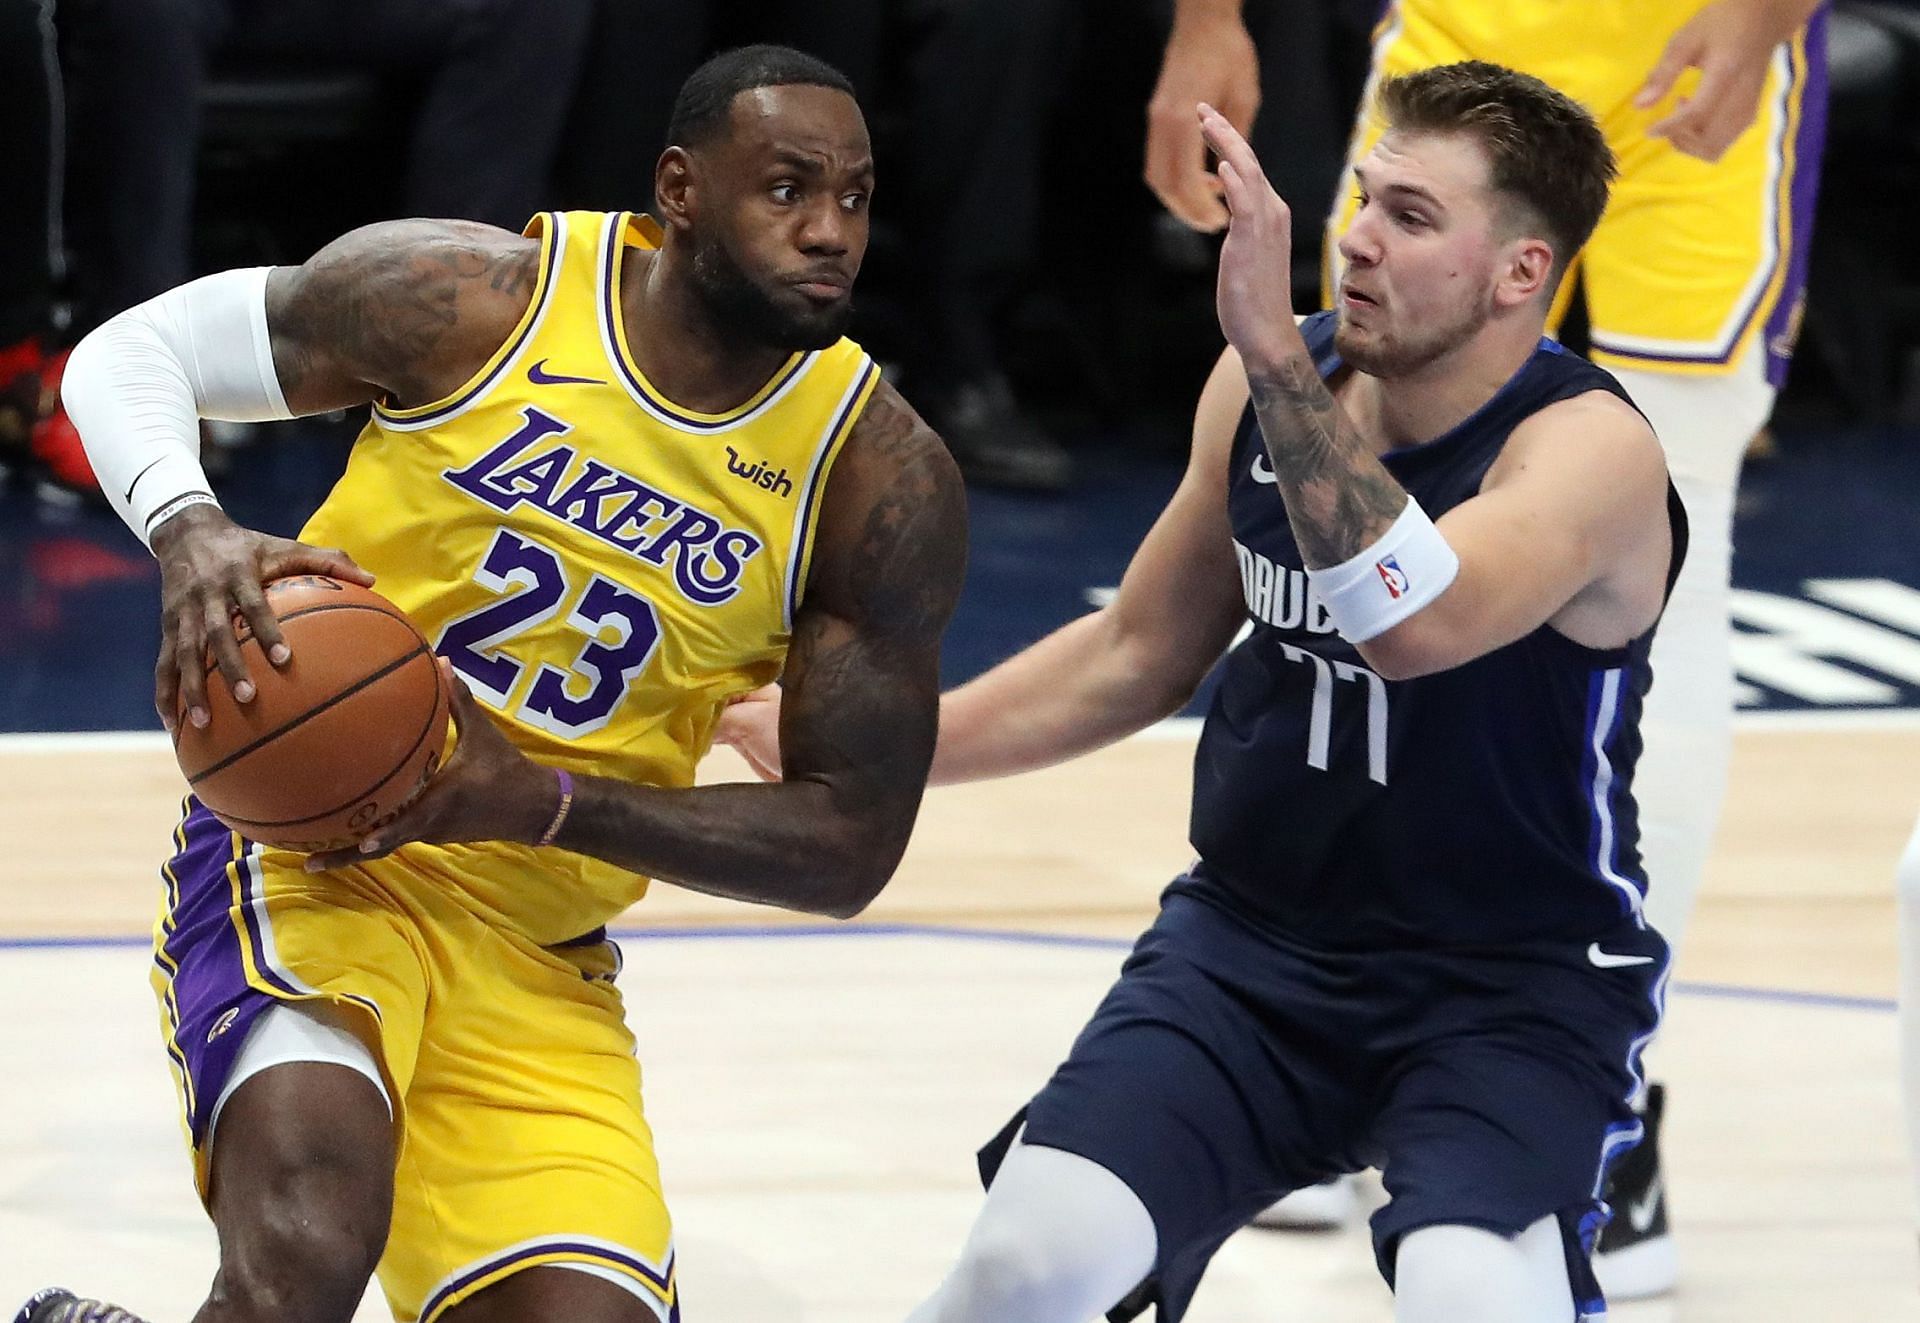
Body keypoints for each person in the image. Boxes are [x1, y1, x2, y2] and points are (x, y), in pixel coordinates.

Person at [16, 44, 965, 1323]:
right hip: (314, 858)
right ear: (679, 190)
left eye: (852, 198)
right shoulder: (478, 300)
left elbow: (848, 845)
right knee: (304, 1255)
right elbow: (132, 356)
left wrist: (542, 803)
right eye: (787, 189)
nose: (829, 231)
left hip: (537, 944)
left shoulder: (876, 481)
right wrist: (187, 528)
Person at [723, 62, 1684, 1321]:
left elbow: (1416, 618)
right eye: (1363, 198)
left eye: (1411, 217)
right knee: (1023, 1270)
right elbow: (1137, 648)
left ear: (1519, 273)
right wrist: (884, 746)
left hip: (1507, 987)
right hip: (1253, 954)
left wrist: (1277, 358)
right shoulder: (1270, 384)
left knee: (1471, 1299)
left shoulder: (1589, 453)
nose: (1357, 240)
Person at [1145, 0, 1829, 1286]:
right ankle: (1331, 1048)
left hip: (1694, 56)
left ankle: (1608, 1113)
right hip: (1468, 43)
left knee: (1659, 567)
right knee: (1362, 509)